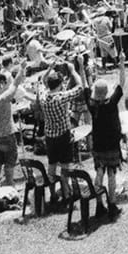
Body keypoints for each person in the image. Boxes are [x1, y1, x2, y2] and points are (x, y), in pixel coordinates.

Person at [84, 57, 126, 218]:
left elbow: (85, 85)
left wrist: (82, 67)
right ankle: (112, 204)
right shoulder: (111, 103)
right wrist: (121, 63)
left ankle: (99, 204)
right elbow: (122, 83)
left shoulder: (91, 104)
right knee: (112, 174)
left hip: (98, 145)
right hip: (112, 144)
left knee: (99, 173)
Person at [37, 62, 84, 198]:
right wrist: (74, 70)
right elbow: (80, 88)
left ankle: (52, 194)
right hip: (63, 135)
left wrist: (49, 69)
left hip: (50, 136)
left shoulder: (43, 97)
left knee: (52, 165)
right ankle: (66, 193)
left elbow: (41, 81)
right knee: (65, 166)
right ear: (59, 85)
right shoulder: (61, 98)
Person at [0, 65, 24, 186]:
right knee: (9, 163)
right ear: (1, 85)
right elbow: (16, 83)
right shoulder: (3, 98)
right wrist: (22, 68)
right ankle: (9, 185)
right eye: (4, 83)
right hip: (6, 135)